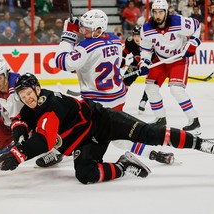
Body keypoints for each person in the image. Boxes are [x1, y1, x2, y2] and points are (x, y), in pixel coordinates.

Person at [0, 73, 214, 185]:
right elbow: (22, 117)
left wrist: (18, 153)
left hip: (104, 121)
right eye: (23, 97)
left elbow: (45, 141)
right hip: (86, 141)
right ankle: (124, 164)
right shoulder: (35, 101)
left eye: (29, 94)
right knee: (85, 175)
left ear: (37, 88)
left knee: (150, 134)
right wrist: (19, 132)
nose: (27, 99)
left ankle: (199, 143)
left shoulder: (50, 107)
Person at [54, 9, 174, 164]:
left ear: (98, 30)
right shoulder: (115, 39)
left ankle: (58, 151)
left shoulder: (85, 47)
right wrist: (80, 29)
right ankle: (153, 153)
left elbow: (63, 62)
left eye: (87, 28)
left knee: (71, 123)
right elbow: (94, 58)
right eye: (83, 27)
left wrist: (67, 37)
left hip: (96, 103)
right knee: (118, 134)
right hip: (117, 97)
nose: (83, 31)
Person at [0, 57, 62, 167]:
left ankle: (56, 151)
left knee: (41, 136)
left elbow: (37, 106)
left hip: (28, 123)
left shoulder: (19, 85)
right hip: (6, 125)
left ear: (6, 74)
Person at [138, 0, 202, 135]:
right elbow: (146, 49)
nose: (158, 15)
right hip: (160, 60)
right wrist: (144, 62)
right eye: (155, 12)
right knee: (150, 89)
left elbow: (196, 26)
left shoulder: (178, 22)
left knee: (176, 89)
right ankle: (160, 119)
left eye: (161, 12)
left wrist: (193, 43)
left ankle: (194, 121)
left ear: (166, 12)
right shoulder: (146, 28)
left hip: (178, 59)